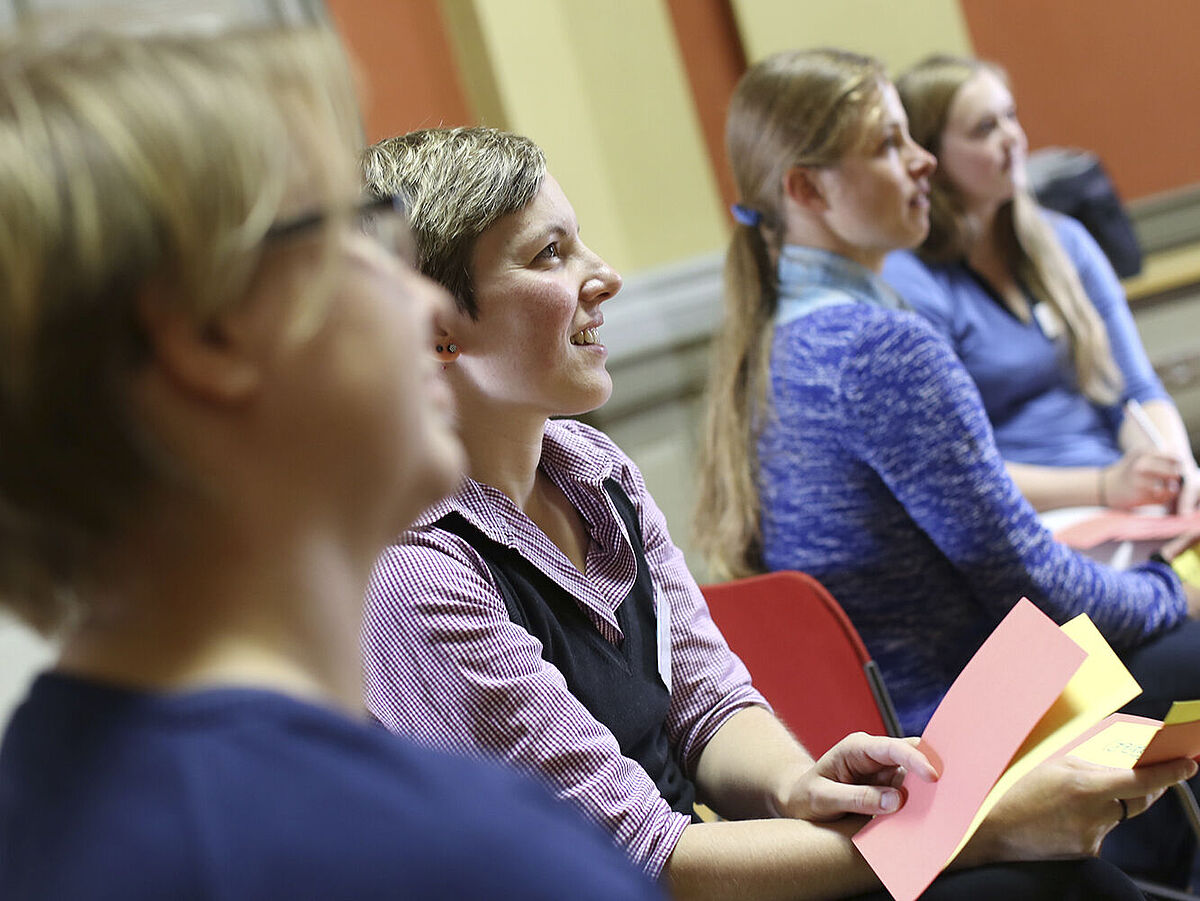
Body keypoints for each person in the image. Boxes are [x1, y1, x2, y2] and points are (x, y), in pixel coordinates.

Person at [360, 124, 1190, 900]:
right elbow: (643, 860)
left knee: (1053, 877)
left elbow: (707, 702)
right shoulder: (415, 568)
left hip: (699, 859)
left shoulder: (593, 467)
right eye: (551, 253)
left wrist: (797, 784)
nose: (604, 274)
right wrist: (972, 831)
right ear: (437, 327)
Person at [0, 24, 661, 901]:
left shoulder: (42, 787)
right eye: (361, 235)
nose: (428, 303)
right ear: (209, 336)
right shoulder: (462, 857)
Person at [694, 47, 1200, 891]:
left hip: (896, 723)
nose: (923, 160)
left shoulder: (775, 339)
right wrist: (1170, 589)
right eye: (890, 144)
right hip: (969, 731)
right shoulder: (879, 345)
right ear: (808, 190)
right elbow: (1033, 586)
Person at [880, 54, 1198, 514]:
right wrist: (1104, 487)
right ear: (932, 158)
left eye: (1010, 116)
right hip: (1030, 515)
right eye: (984, 129)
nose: (1012, 137)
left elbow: (1138, 392)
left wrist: (1174, 466)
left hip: (1121, 494)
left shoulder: (1064, 241)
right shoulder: (911, 281)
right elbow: (956, 471)